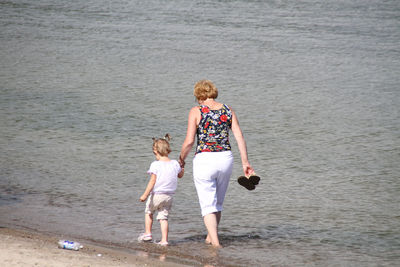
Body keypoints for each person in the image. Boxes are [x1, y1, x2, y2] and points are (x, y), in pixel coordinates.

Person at [179, 80, 255, 248]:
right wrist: (245, 163)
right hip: (225, 158)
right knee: (217, 203)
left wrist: (181, 159)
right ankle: (209, 237)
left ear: (199, 95)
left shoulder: (196, 111)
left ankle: (216, 244)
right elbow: (239, 136)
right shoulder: (228, 110)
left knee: (207, 205)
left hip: (205, 159)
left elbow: (190, 141)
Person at [138, 134, 184, 246]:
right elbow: (180, 175)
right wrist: (182, 167)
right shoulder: (174, 164)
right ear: (168, 151)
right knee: (163, 217)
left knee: (149, 211)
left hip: (157, 195)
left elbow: (152, 181)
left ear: (156, 152)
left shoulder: (155, 164)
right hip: (169, 196)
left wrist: (144, 195)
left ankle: (148, 233)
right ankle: (164, 240)